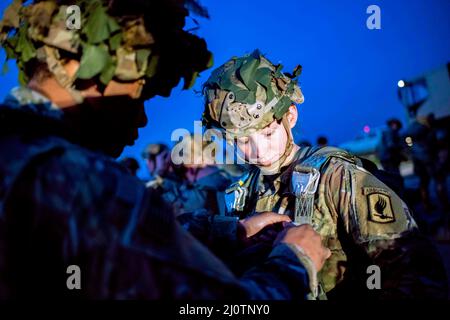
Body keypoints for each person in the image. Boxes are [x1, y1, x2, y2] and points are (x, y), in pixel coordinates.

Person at [0, 0, 330, 299]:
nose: (141, 119)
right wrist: (294, 263)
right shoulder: (79, 181)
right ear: (75, 66)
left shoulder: (18, 152)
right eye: (139, 93)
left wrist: (230, 231)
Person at [199, 50, 448, 299]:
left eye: (267, 133)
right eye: (242, 141)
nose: (259, 152)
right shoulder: (241, 191)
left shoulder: (337, 176)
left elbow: (417, 274)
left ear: (290, 116)